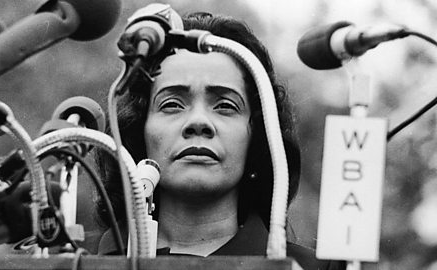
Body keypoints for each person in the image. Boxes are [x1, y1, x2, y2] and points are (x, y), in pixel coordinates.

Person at [95, 11, 346, 270]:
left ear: (259, 134)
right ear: (139, 129)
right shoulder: (71, 262)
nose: (198, 121)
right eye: (172, 104)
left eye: (225, 105)